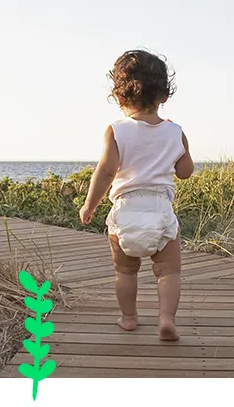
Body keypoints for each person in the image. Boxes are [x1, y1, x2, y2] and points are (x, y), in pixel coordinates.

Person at [79, 49, 194, 341]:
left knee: (125, 272)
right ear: (164, 96)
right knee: (169, 272)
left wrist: (89, 205)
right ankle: (166, 319)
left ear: (119, 97)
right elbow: (185, 171)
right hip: (160, 211)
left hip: (125, 210)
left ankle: (129, 318)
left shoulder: (116, 131)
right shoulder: (175, 132)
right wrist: (182, 149)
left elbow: (105, 172)